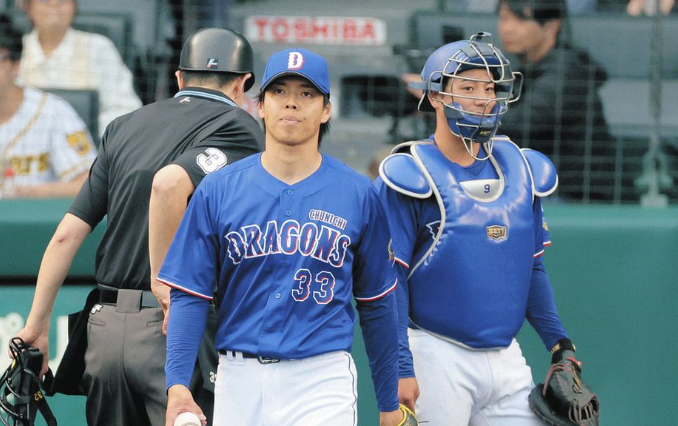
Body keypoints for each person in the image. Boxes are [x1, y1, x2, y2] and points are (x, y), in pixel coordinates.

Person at [12, 27, 263, 426]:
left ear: (179, 77)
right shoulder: (242, 126)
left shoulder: (123, 126)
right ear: (243, 83)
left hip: (104, 329)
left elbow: (65, 234)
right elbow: (169, 184)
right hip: (173, 326)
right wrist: (163, 283)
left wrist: (36, 324)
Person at [157, 47, 405, 426]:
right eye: (279, 91)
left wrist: (388, 404)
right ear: (259, 105)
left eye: (306, 93)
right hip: (237, 375)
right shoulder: (218, 189)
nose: (291, 103)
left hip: (321, 377)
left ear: (326, 110)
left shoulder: (358, 193)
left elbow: (377, 303)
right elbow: (190, 294)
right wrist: (177, 385)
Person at [376, 32, 595, 425]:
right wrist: (401, 366)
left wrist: (559, 343)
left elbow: (531, 267)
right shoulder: (409, 173)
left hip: (506, 356)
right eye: (468, 87)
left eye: (490, 87)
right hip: (435, 354)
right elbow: (392, 281)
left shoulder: (521, 167)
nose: (483, 98)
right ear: (436, 95)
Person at [497, 0, 614, 201]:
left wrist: (462, 110)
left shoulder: (566, 71)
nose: (508, 28)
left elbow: (522, 122)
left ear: (551, 26)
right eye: (504, 18)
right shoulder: (529, 68)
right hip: (545, 185)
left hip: (574, 197)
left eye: (521, 20)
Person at [0, 13, 95, 198]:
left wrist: (31, 193)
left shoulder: (53, 111)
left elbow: (89, 182)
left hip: (34, 213)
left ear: (15, 66)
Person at [18, 0, 142, 137]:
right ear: (28, 7)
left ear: (74, 6)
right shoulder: (12, 52)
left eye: (63, 0)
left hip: (91, 143)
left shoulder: (98, 47)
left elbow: (127, 109)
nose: (54, 4)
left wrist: (81, 131)